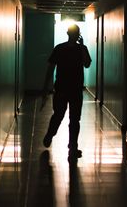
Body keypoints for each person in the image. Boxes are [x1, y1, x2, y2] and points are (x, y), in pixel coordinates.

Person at [41, 24, 92, 159]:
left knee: (65, 116)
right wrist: (46, 89)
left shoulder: (65, 48)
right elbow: (86, 64)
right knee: (68, 117)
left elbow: (87, 64)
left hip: (66, 89)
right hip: (69, 89)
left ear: (67, 33)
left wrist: (46, 88)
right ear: (75, 34)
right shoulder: (65, 48)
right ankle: (59, 139)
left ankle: (68, 144)